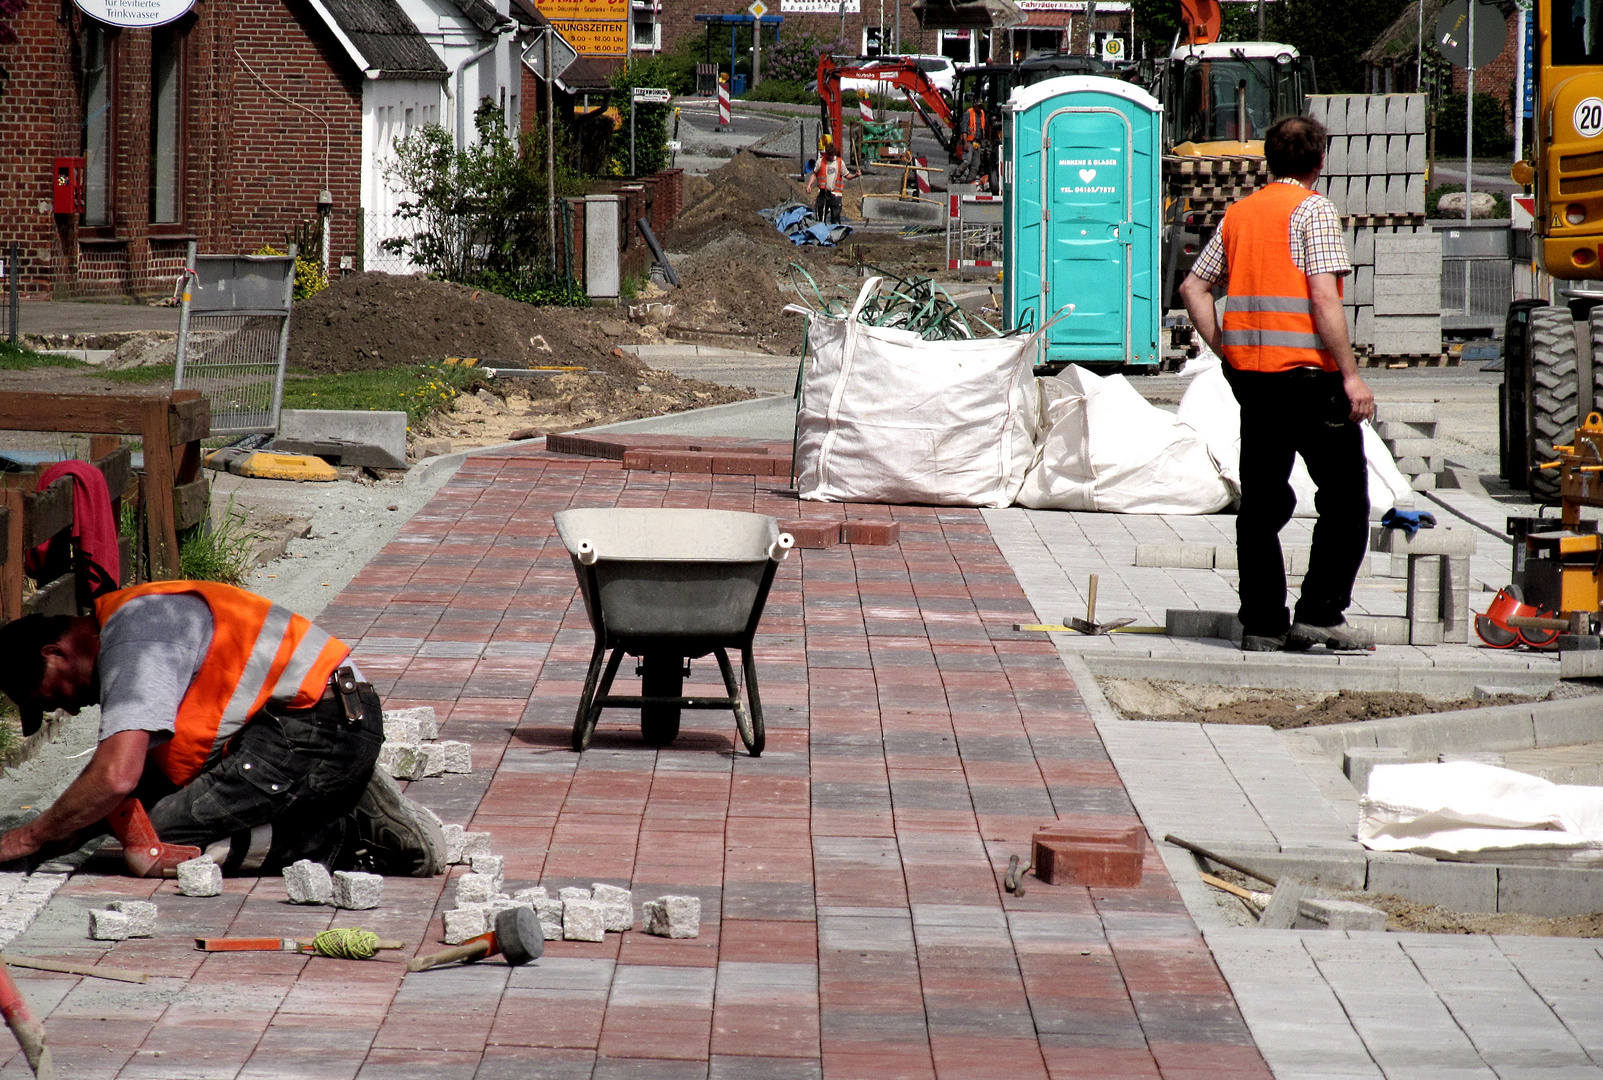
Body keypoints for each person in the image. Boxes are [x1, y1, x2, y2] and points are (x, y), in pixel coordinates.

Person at [0, 580, 445, 875]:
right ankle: (337, 790)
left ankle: (346, 832)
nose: (71, 710)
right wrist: (68, 828)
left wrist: (29, 837)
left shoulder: (137, 640)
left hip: (320, 728)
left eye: (54, 696)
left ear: (55, 652)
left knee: (156, 841)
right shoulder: (136, 621)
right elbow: (130, 780)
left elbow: (117, 776)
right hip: (310, 722)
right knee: (129, 825)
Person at [1177, 113, 1376, 654]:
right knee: (1345, 499)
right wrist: (1352, 376)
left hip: (1253, 383)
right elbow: (1323, 298)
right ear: (1319, 162)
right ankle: (1320, 613)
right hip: (1311, 381)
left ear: (1270, 159)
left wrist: (1223, 345)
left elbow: (1194, 287)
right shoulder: (1313, 210)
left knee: (1261, 505)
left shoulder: (1241, 214)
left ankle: (1263, 623)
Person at [805, 140, 857, 225]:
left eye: (832, 155)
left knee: (835, 218)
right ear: (826, 154)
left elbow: (847, 176)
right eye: (829, 155)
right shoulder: (820, 162)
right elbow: (814, 174)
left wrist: (856, 175)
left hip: (836, 195)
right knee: (820, 218)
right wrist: (809, 185)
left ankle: (834, 234)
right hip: (823, 194)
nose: (831, 157)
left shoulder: (840, 163)